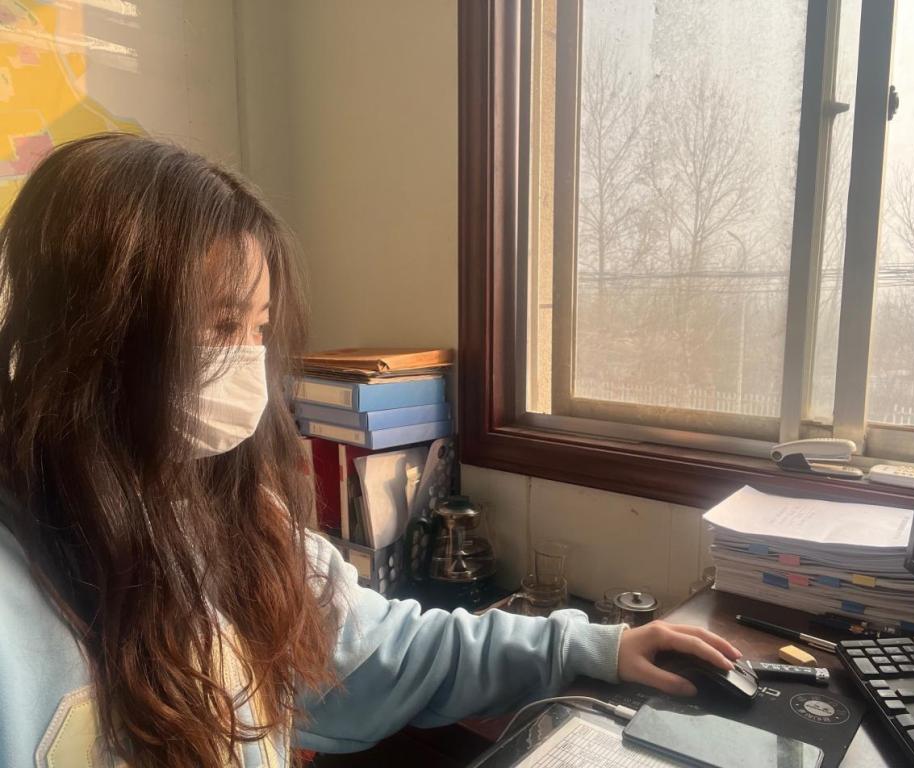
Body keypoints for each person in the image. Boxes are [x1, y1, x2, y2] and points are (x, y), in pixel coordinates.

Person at [0, 134, 741, 768]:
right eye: (223, 324)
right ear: (97, 329)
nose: (249, 359)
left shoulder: (233, 521)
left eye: (259, 329)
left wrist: (589, 649)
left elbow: (384, 648)